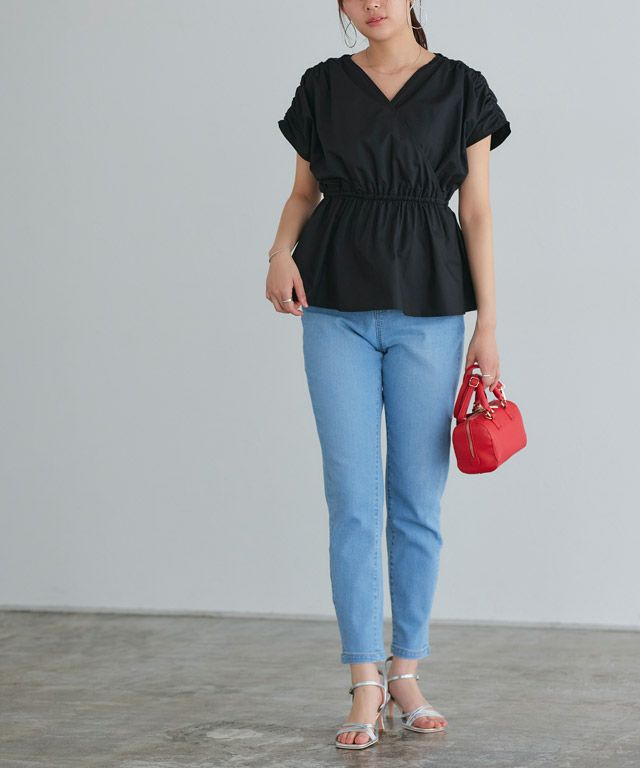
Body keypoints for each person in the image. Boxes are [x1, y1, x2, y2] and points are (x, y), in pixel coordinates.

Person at [266, 0, 511, 751]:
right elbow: (305, 192)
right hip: (333, 305)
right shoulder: (322, 85)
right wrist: (279, 252)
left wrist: (488, 324)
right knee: (352, 502)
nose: (372, 2)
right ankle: (364, 680)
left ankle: (407, 670)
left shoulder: (462, 88)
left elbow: (477, 211)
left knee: (416, 501)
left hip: (430, 310)